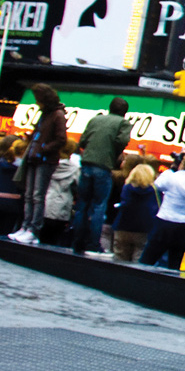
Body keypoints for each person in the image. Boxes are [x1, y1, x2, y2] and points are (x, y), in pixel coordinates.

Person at [9, 84, 67, 244]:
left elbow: (61, 139)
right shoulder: (49, 114)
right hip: (37, 156)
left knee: (36, 195)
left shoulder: (56, 115)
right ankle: (27, 227)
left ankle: (33, 229)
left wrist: (42, 148)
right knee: (30, 195)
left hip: (44, 158)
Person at [73, 97, 131, 254]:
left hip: (86, 163)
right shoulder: (123, 123)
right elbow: (122, 140)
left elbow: (83, 141)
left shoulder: (96, 119)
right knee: (99, 206)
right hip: (104, 165)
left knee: (82, 205)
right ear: (124, 112)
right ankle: (93, 244)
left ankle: (77, 242)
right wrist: (114, 152)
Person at [140, 154, 185, 269]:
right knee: (175, 262)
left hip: (165, 221)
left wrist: (171, 170)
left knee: (148, 258)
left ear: (182, 165)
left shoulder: (172, 177)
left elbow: (157, 185)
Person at [111, 164, 159, 262]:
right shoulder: (154, 190)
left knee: (120, 259)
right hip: (144, 229)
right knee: (138, 260)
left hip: (122, 226)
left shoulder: (127, 187)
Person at [40, 140, 81, 246]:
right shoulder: (74, 168)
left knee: (40, 238)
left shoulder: (48, 164)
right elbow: (79, 186)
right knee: (54, 240)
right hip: (63, 207)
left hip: (45, 203)